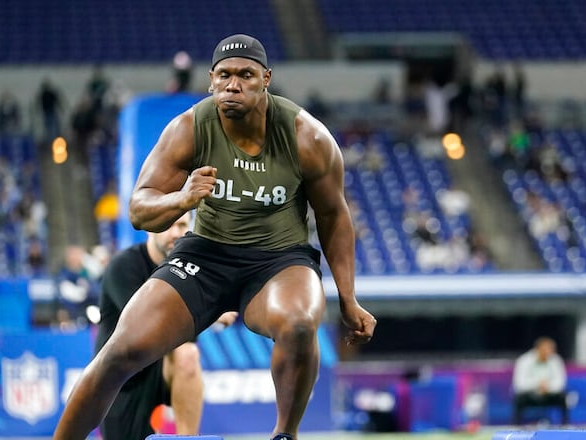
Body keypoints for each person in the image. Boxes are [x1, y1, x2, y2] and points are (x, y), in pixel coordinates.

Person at [53, 33, 377, 440]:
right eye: (224, 75)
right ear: (210, 80)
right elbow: (139, 210)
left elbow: (334, 216)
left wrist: (348, 298)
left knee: (297, 324)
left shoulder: (306, 137)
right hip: (205, 257)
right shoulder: (189, 128)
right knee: (121, 350)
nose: (233, 84)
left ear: (266, 79)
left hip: (277, 260)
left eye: (246, 75)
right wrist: (182, 198)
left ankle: (285, 434)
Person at [97, 212, 237, 439]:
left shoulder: (191, 271)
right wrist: (210, 313)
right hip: (122, 382)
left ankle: (187, 439)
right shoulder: (123, 267)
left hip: (160, 370)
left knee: (187, 354)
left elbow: (183, 336)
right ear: (150, 227)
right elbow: (145, 329)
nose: (175, 233)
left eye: (182, 225)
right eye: (167, 225)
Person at [512, 336, 569, 425]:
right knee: (518, 399)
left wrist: (548, 387)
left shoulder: (556, 360)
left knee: (563, 397)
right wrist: (537, 384)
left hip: (550, 394)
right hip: (530, 395)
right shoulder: (524, 361)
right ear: (538, 349)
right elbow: (519, 384)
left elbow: (561, 383)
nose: (549, 352)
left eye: (551, 349)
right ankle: (515, 427)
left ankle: (566, 426)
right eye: (546, 349)